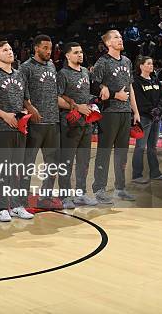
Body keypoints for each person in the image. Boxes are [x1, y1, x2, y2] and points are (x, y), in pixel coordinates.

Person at [0, 41, 30, 222]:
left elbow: (24, 101)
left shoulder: (20, 75)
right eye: (4, 50)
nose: (9, 52)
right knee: (3, 170)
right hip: (2, 128)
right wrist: (3, 114)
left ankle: (17, 206)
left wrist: (25, 114)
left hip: (20, 128)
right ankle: (2, 207)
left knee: (17, 169)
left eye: (10, 49)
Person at [91, 30, 140, 204]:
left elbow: (130, 87)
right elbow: (93, 85)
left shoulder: (126, 61)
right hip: (109, 113)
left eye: (120, 37)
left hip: (125, 112)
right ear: (108, 43)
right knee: (104, 152)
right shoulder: (102, 62)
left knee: (122, 153)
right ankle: (99, 189)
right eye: (116, 37)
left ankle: (120, 188)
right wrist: (113, 95)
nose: (120, 39)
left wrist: (135, 111)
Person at [17, 34, 61, 211]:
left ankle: (45, 197)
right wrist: (30, 107)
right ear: (36, 48)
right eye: (45, 48)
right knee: (28, 163)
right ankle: (21, 200)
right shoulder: (26, 68)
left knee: (53, 163)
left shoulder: (51, 65)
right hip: (34, 123)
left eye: (50, 48)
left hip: (53, 121)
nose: (48, 51)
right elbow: (20, 92)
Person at [56, 42, 98, 206]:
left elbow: (85, 95)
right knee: (66, 161)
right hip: (70, 123)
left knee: (83, 161)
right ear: (67, 56)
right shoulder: (62, 74)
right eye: (75, 52)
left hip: (86, 124)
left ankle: (81, 193)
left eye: (81, 52)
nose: (80, 55)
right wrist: (77, 107)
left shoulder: (86, 72)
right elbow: (57, 98)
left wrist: (91, 104)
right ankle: (65, 196)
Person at [132, 56, 162, 183]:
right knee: (140, 146)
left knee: (152, 147)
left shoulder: (155, 81)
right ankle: (137, 175)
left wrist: (159, 108)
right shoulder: (136, 82)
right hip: (144, 118)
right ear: (141, 66)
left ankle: (155, 173)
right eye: (148, 64)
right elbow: (138, 99)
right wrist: (150, 110)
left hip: (156, 118)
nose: (151, 66)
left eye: (152, 64)